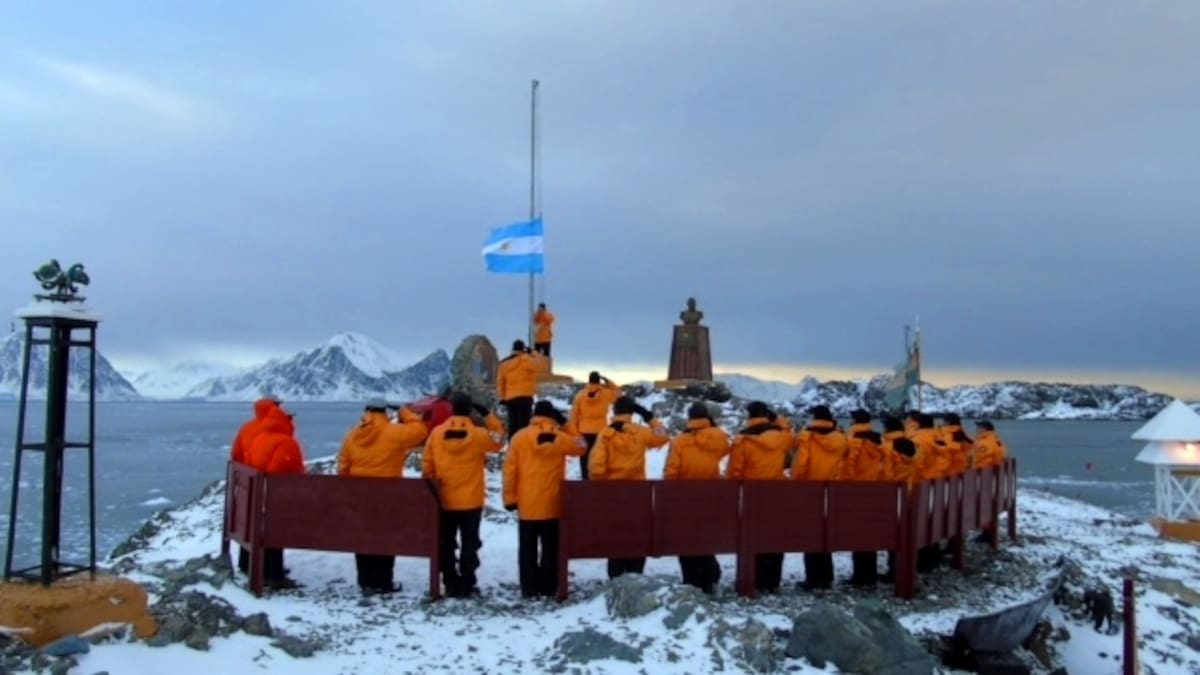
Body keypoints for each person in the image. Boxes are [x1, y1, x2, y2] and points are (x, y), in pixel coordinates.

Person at [336, 398, 429, 595]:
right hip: (388, 494)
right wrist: (405, 413)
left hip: (360, 495)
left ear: (366, 411)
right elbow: (421, 430)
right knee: (385, 535)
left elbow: (343, 466)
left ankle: (365, 580)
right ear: (384, 412)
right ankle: (383, 581)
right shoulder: (393, 432)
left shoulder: (352, 434)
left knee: (363, 535)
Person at [422, 394, 506, 598]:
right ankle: (467, 583)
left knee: (446, 543)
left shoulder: (437, 433)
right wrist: (487, 415)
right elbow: (499, 440)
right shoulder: (477, 435)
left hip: (445, 500)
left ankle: (450, 582)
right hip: (471, 500)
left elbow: (427, 466)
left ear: (452, 410)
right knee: (470, 543)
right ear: (470, 411)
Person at [502, 400, 586, 598]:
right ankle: (549, 586)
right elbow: (582, 447)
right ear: (552, 416)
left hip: (527, 503)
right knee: (551, 548)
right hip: (553, 503)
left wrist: (509, 498)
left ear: (534, 415)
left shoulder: (520, 438)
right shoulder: (561, 437)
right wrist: (566, 425)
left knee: (527, 550)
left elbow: (510, 471)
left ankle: (529, 588)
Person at [588, 396, 670, 578]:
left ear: (615, 412)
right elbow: (663, 437)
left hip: (613, 495)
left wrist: (603, 485)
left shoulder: (605, 434)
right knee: (636, 534)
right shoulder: (640, 432)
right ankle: (636, 573)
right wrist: (649, 417)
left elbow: (596, 468)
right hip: (638, 494)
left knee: (615, 535)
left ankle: (616, 574)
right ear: (632, 413)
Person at [663, 401, 731, 594]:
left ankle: (691, 578)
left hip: (684, 498)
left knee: (685, 538)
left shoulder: (680, 441)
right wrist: (712, 427)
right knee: (705, 536)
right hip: (710, 496)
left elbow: (672, 472)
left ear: (690, 418)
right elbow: (725, 449)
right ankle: (709, 576)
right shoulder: (718, 437)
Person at [727, 400, 791, 594]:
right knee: (774, 535)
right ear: (766, 414)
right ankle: (772, 580)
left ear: (749, 417)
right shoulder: (782, 437)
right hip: (777, 493)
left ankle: (756, 579)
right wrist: (777, 419)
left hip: (752, 495)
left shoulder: (743, 440)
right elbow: (790, 433)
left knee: (753, 536)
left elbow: (735, 472)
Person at [245, 401, 305, 590]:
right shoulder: (286, 442)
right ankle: (274, 575)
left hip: (258, 493)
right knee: (274, 534)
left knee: (265, 532)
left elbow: (248, 460)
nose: (292, 422)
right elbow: (282, 468)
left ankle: (264, 570)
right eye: (289, 418)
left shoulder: (259, 437)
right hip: (276, 494)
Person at [793, 404, 848, 591]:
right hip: (834, 491)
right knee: (826, 532)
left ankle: (813, 578)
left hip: (811, 490)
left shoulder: (808, 437)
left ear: (814, 417)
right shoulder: (841, 438)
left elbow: (801, 463)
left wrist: (797, 483)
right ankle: (827, 577)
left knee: (811, 534)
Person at [230, 396, 280, 574]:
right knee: (272, 525)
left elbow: (236, 454)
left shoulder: (247, 428)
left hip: (248, 483)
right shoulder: (278, 430)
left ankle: (246, 564)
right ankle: (272, 569)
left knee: (249, 523)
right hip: (271, 485)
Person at [844, 409, 885, 586]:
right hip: (876, 490)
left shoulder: (854, 440)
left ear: (854, 420)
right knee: (870, 533)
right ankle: (870, 573)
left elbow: (848, 466)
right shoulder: (878, 439)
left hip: (857, 491)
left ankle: (861, 576)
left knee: (859, 534)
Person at [880, 415, 918, 582]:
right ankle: (903, 568)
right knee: (904, 533)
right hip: (909, 493)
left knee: (893, 535)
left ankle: (893, 571)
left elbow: (886, 474)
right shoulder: (912, 445)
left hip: (892, 496)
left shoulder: (887, 448)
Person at [567, 371, 621, 479]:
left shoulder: (580, 395)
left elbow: (573, 417)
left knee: (584, 458)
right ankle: (598, 481)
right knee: (599, 457)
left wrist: (576, 433)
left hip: (584, 431)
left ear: (589, 380)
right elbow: (618, 393)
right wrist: (607, 381)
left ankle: (585, 480)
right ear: (599, 380)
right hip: (600, 431)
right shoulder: (606, 393)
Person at [497, 339, 546, 438]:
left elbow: (500, 382)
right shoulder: (526, 360)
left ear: (513, 349)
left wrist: (502, 397)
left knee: (512, 425)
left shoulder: (504, 363)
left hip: (510, 398)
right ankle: (522, 448)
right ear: (523, 349)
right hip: (525, 396)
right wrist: (534, 353)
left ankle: (512, 447)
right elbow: (541, 366)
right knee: (523, 426)